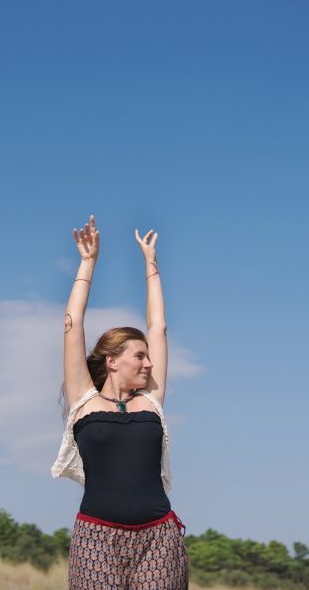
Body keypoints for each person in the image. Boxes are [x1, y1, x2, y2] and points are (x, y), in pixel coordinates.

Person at [52, 214, 189, 589]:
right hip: (95, 539)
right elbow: (72, 325)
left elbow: (158, 326)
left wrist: (151, 265)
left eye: (149, 357)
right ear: (112, 362)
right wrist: (87, 263)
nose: (149, 363)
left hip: (159, 540)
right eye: (139, 356)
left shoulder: (151, 402)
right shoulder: (85, 401)